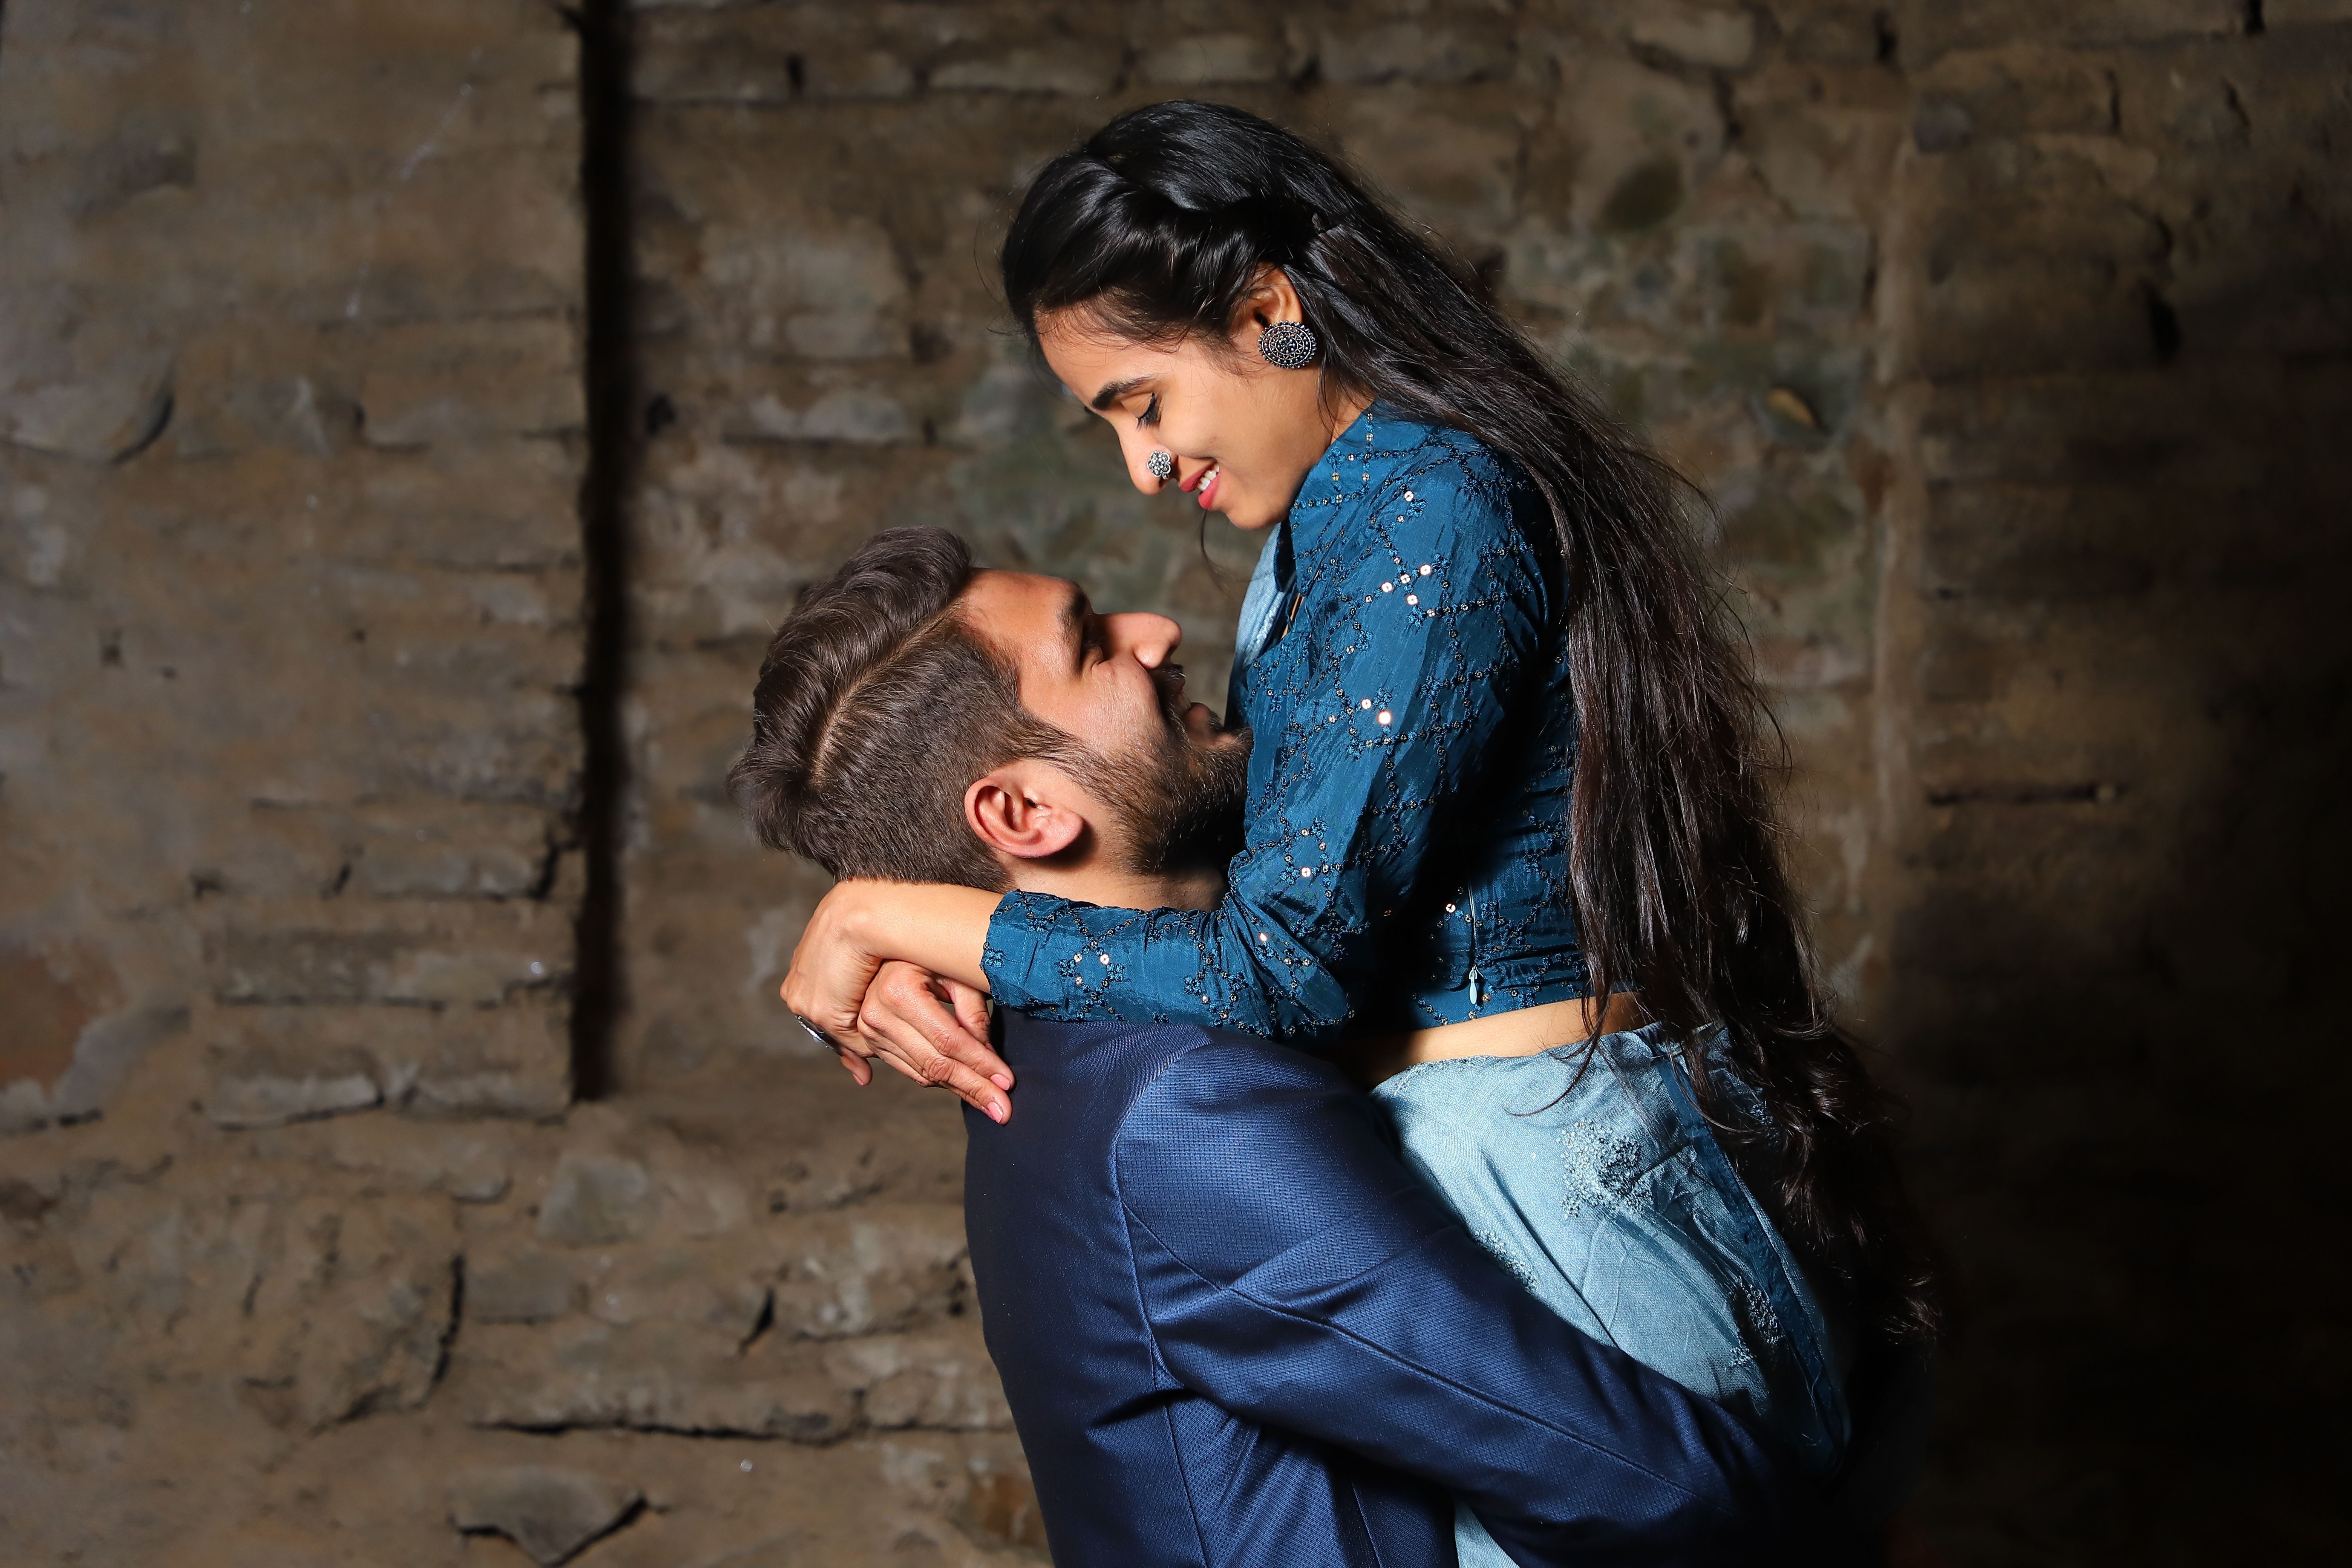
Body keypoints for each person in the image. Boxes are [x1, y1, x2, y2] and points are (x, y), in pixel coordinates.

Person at [774, 100, 1940, 1551]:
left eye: (1142, 400)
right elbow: (1245, 872)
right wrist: (940, 932)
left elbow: (1285, 966)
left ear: (1268, 311)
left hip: (1544, 1164)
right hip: (1497, 1163)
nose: (1140, 468)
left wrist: (900, 917)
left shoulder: (1425, 508)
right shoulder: (1343, 521)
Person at [729, 527, 1829, 1566]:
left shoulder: (1087, 1045)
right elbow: (1644, 1480)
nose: (1155, 630)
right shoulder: (1181, 1107)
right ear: (1023, 816)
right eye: (1092, 646)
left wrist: (878, 921)